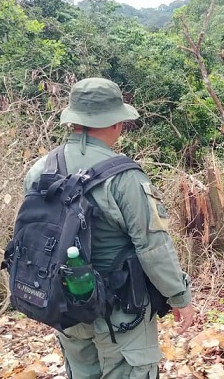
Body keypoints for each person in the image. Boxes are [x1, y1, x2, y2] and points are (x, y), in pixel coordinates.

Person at [23, 77, 195, 378]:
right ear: (116, 122)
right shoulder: (125, 177)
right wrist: (179, 297)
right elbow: (153, 247)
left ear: (74, 121)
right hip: (122, 311)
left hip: (67, 305)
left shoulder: (41, 169)